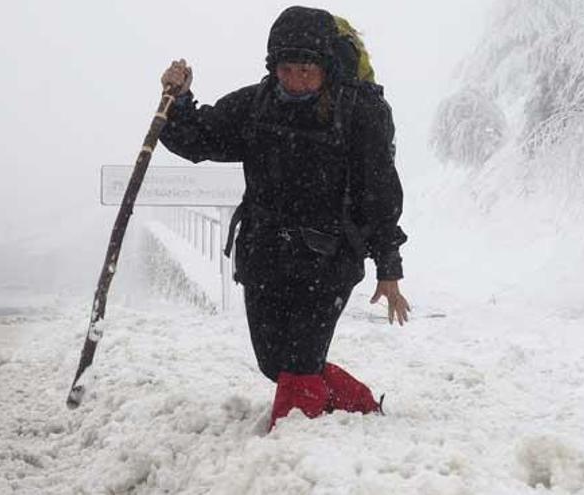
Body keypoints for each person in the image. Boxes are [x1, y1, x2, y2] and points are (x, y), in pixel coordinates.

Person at [159, 6, 410, 431]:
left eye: (308, 70)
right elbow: (199, 138)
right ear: (273, 67)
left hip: (327, 260)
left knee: (298, 364)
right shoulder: (256, 106)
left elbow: (380, 193)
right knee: (274, 362)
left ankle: (291, 444)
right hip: (264, 255)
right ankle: (357, 403)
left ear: (327, 68)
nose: (297, 80)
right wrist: (178, 100)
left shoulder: (356, 114)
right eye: (287, 69)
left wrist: (389, 268)